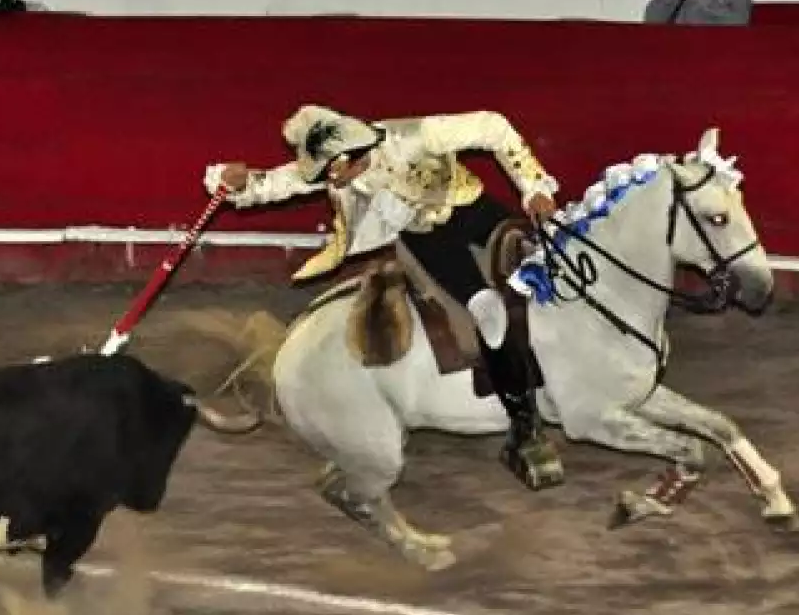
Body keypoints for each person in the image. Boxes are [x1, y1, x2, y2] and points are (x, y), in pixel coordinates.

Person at [205, 106, 565, 488]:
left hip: (473, 210)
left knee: (553, 265)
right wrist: (241, 186)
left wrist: (535, 186)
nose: (328, 181)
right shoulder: (340, 168)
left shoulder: (419, 136)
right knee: (488, 311)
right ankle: (524, 429)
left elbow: (494, 127)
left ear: (345, 159)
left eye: (330, 172)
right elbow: (280, 183)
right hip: (428, 238)